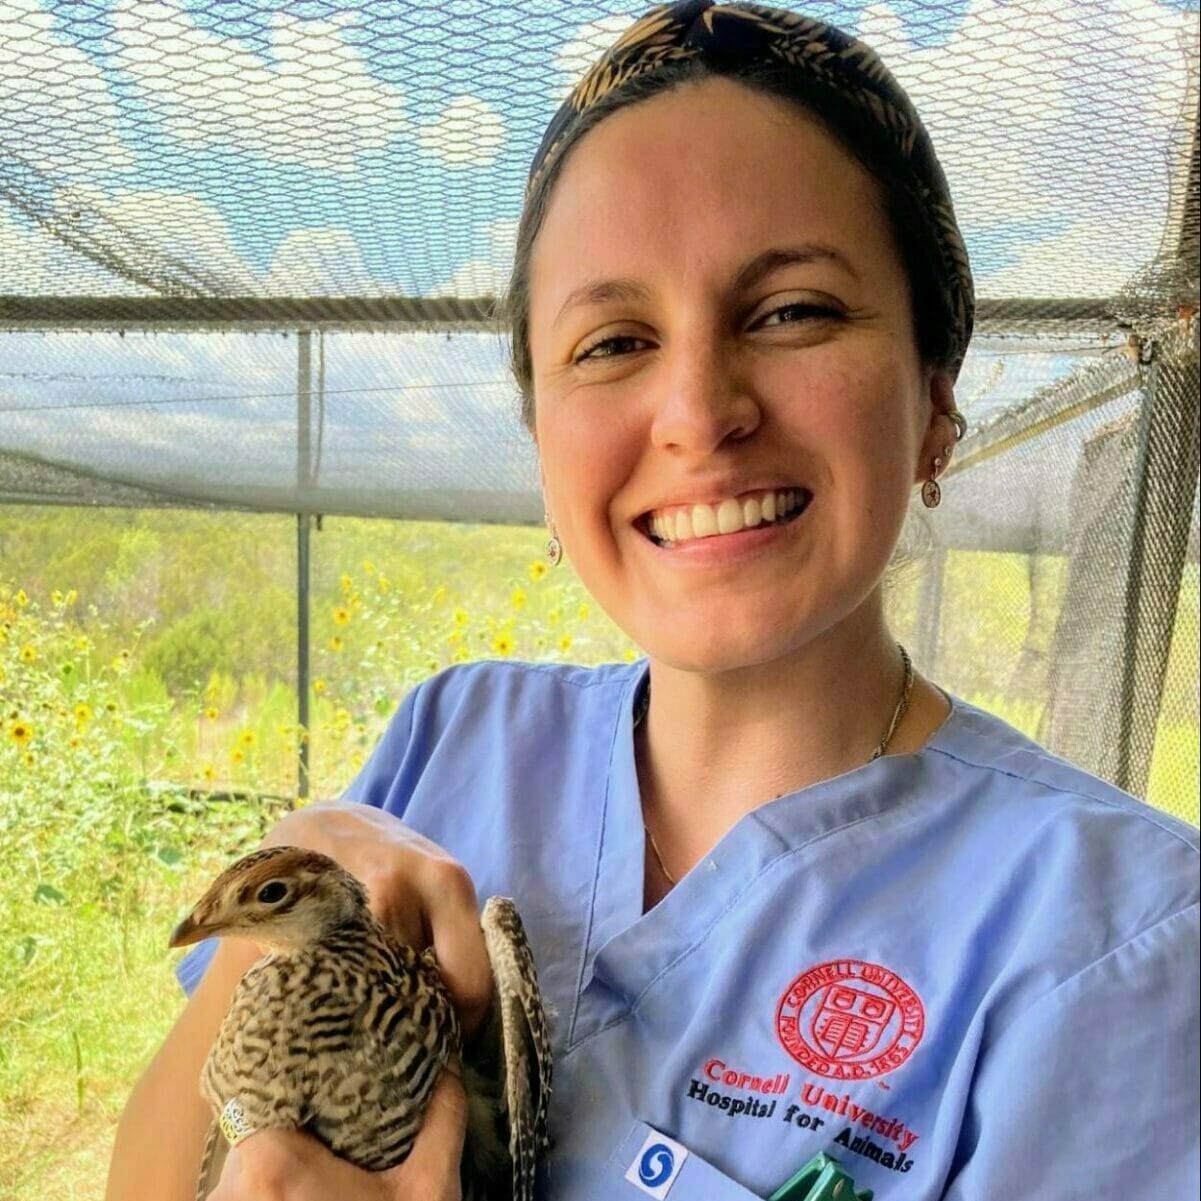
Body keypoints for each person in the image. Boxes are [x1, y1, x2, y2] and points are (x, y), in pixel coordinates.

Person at [107, 3, 1199, 1199]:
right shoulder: (454, 739)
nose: (696, 414)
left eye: (791, 312)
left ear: (935, 396)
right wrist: (302, 875)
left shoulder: (1122, 941)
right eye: (613, 342)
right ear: (542, 436)